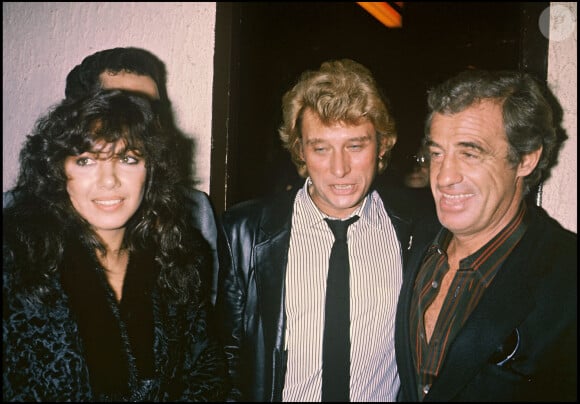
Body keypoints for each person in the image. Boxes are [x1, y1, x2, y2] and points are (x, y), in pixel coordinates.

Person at [2, 90, 228, 401]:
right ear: (57, 171)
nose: (109, 180)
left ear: (150, 171)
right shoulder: (16, 260)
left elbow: (206, 375)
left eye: (128, 159)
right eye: (86, 161)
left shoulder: (179, 257)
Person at [215, 59, 415, 401]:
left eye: (355, 145)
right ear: (301, 151)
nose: (340, 168)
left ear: (381, 145)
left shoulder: (416, 232)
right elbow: (223, 362)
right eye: (321, 148)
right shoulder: (245, 232)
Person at [395, 69, 577, 401]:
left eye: (470, 153)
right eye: (437, 153)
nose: (444, 176)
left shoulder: (567, 277)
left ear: (525, 158)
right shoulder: (410, 243)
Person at [4, 47, 220, 304]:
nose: (136, 119)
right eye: (119, 104)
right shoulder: (14, 228)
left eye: (150, 109)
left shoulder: (194, 211)